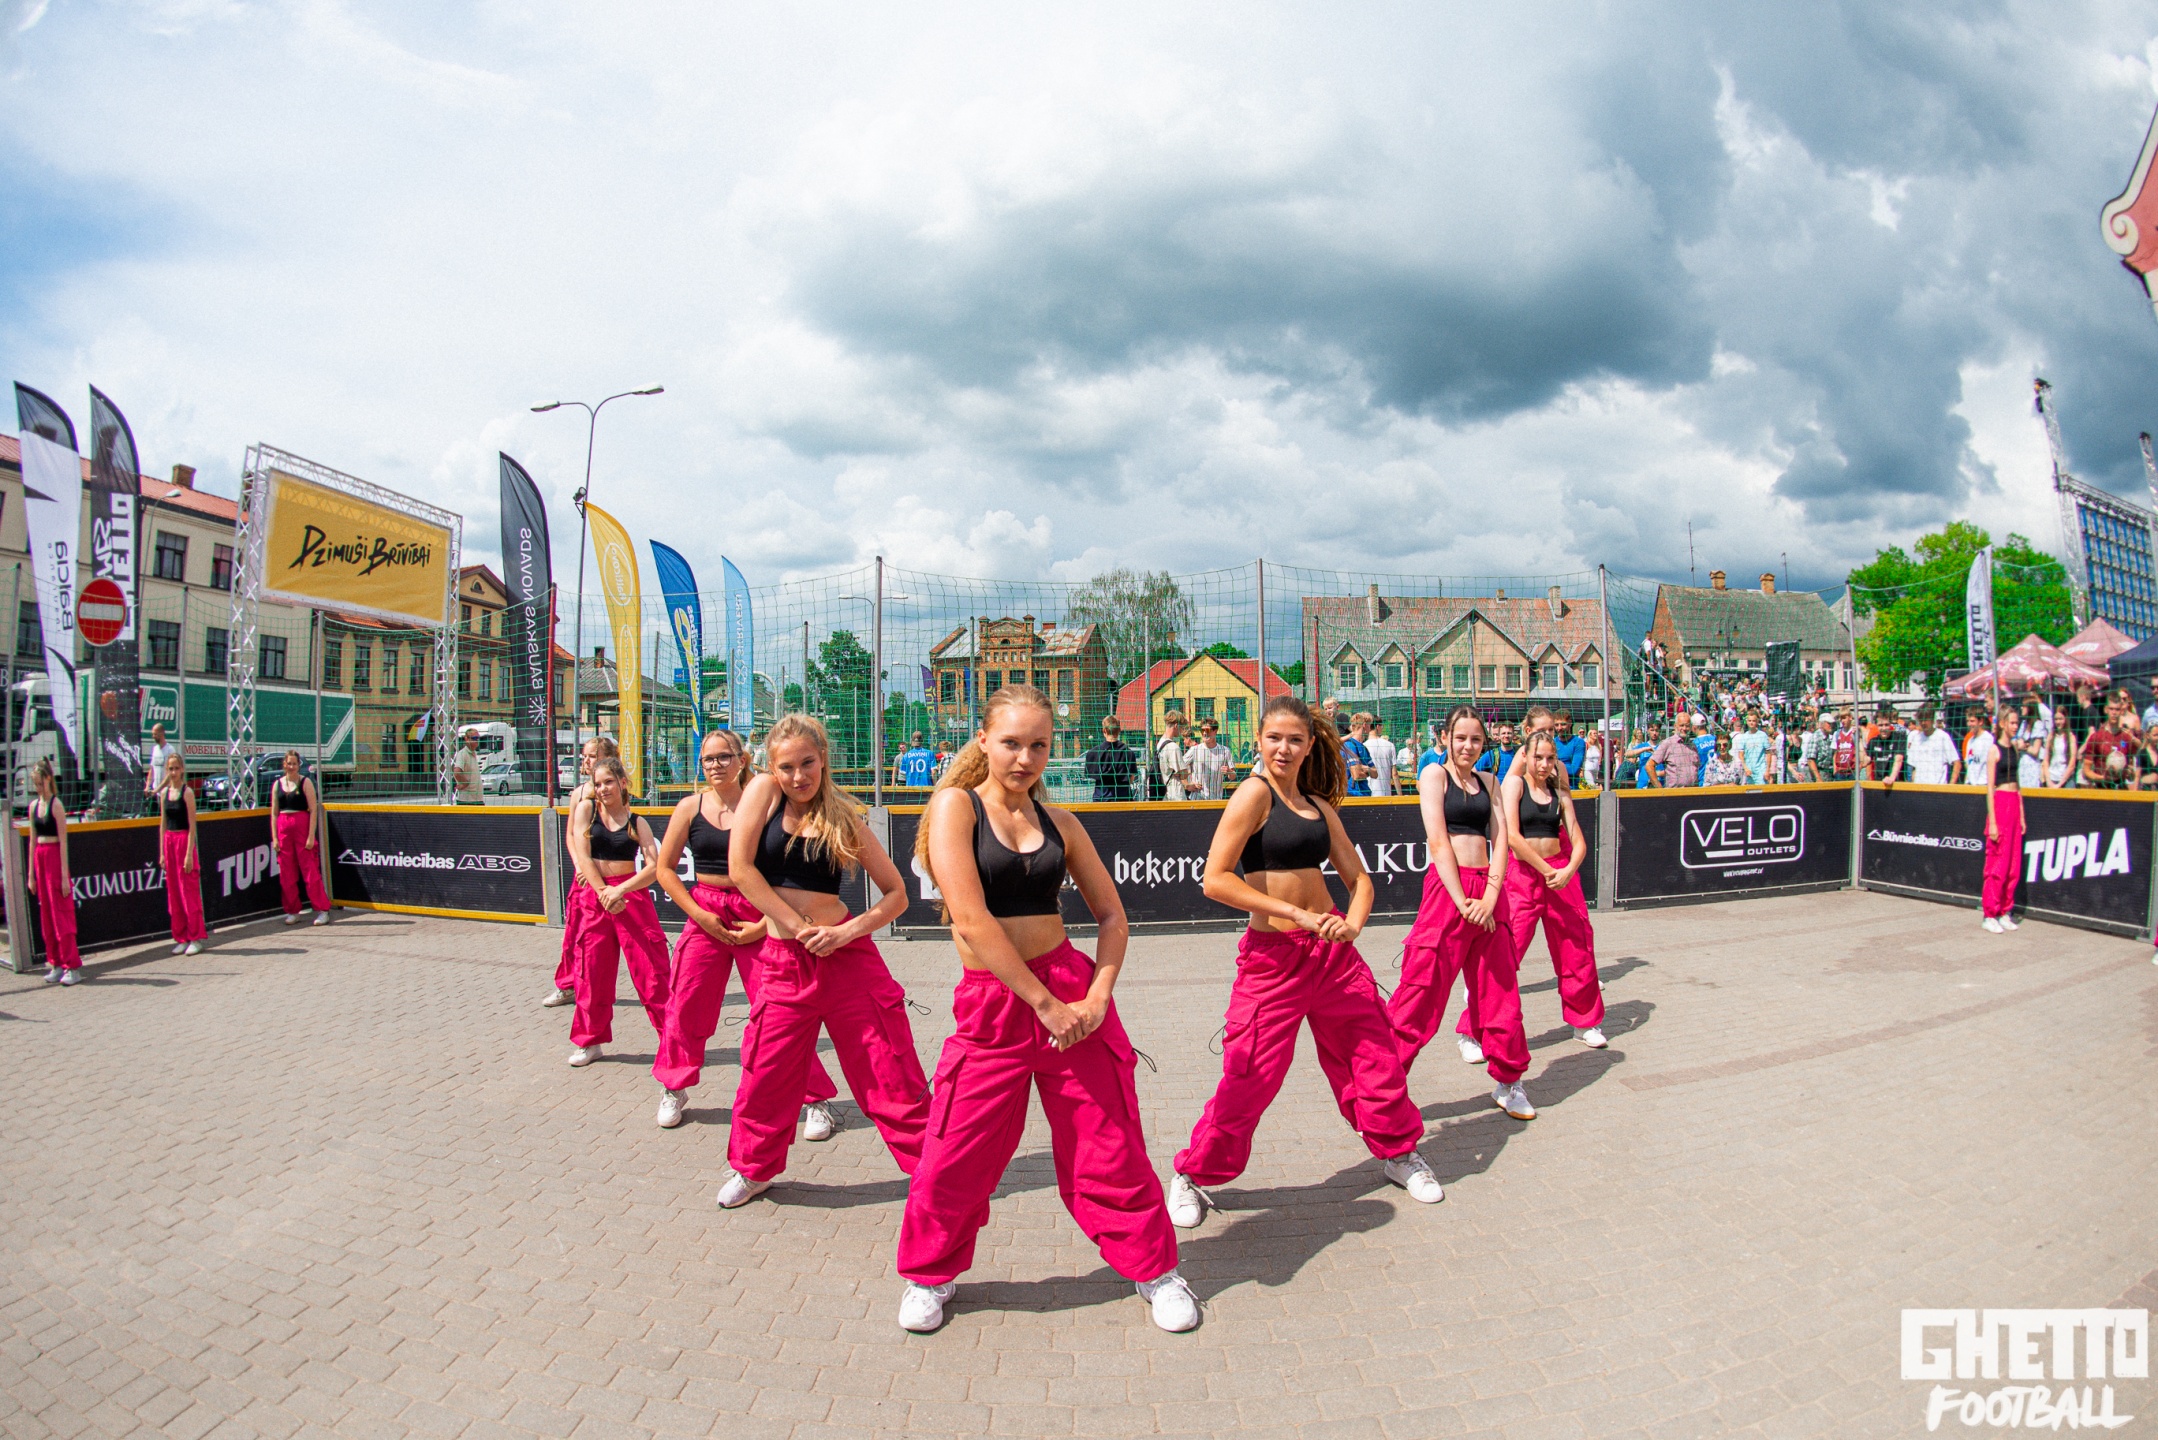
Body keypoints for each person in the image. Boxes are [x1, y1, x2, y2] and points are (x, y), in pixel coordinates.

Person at [895, 685, 1195, 1335]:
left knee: (1110, 1142)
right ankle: (929, 1274)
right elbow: (970, 919)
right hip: (996, 1003)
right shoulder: (955, 807)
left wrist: (1097, 995)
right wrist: (1042, 1004)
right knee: (956, 1148)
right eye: (1010, 743)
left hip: (1071, 993)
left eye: (1038, 745)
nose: (1024, 758)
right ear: (983, 741)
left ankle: (1154, 1269)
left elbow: (1112, 917)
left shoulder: (1062, 823)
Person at [1168, 696, 1445, 1228]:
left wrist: (1353, 925)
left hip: (1334, 958)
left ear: (1310, 744)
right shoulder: (1253, 793)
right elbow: (1215, 879)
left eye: (1295, 740)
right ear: (1259, 740)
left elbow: (1360, 881)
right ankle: (1192, 1174)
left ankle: (1398, 1151)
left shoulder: (1318, 805)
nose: (1284, 748)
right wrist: (1292, 912)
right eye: (1274, 738)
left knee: (1375, 1058)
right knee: (1250, 1075)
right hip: (1273, 961)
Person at [718, 715, 929, 1208]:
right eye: (787, 767)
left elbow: (896, 894)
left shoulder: (844, 817)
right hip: (784, 960)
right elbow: (740, 869)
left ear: (823, 759)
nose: (798, 776)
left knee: (888, 1067)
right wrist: (797, 929)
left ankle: (931, 1168)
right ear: (771, 768)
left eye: (807, 763)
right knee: (766, 1071)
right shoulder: (764, 794)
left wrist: (844, 933)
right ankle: (754, 1169)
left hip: (847, 959)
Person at [651, 730, 841, 1133]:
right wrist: (698, 915)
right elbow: (664, 869)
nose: (716, 765)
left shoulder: (766, 801)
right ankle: (674, 1085)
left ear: (742, 760)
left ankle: (815, 1099)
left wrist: (764, 923)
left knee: (780, 1010)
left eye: (724, 756)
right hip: (705, 913)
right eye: (708, 759)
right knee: (686, 1003)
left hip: (758, 912)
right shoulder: (689, 808)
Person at [1389, 707, 1535, 1118]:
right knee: (1420, 991)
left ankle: (1509, 1081)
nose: (1467, 746)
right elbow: (1438, 841)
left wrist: (1490, 896)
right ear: (1446, 739)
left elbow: (1501, 839)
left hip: (1488, 894)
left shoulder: (1490, 782)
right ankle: (1384, 1088)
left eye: (1475, 739)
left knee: (1500, 992)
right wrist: (1462, 901)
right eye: (1460, 738)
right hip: (1447, 893)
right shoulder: (1433, 775)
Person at [1498, 732, 1607, 1047]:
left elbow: (1578, 840)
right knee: (1505, 950)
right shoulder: (1515, 785)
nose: (1544, 764)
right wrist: (1547, 871)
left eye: (1550, 758)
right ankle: (1478, 1028)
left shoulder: (1560, 791)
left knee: (1577, 947)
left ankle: (1585, 1021)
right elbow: (1512, 837)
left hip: (1560, 874)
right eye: (1538, 757)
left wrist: (1568, 870)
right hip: (1523, 876)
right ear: (1526, 756)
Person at [564, 756, 670, 1071]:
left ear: (622, 783)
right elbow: (583, 857)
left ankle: (672, 1041)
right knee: (591, 972)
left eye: (608, 782)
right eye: (597, 784)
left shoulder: (638, 822)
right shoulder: (587, 811)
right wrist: (603, 892)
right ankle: (589, 1041)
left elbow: (654, 867)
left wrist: (620, 891)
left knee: (652, 973)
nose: (602, 789)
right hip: (595, 898)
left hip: (630, 898)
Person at [542, 736, 619, 1008]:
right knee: (575, 934)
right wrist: (580, 865)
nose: (586, 761)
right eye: (584, 756)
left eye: (592, 756)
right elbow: (571, 837)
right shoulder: (579, 793)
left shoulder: (617, 792)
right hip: (585, 879)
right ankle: (567, 986)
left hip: (612, 879)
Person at [27, 759, 81, 984]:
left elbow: (63, 842)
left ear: (49, 779)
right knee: (47, 916)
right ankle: (56, 963)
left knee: (61, 915)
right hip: (40, 859)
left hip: (54, 858)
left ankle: (72, 967)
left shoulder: (56, 805)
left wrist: (64, 876)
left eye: (41, 783)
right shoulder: (33, 806)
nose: (39, 788)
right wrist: (31, 875)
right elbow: (32, 841)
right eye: (36, 785)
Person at [270, 750, 330, 926]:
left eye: (294, 764)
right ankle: (293, 911)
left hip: (302, 830)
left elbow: (313, 810)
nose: (291, 767)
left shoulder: (306, 782)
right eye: (289, 763)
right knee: (286, 875)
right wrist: (275, 838)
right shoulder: (277, 785)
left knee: (310, 871)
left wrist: (311, 836)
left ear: (298, 765)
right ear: (284, 764)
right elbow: (274, 813)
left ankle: (322, 910)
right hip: (283, 831)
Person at [156, 753, 205, 956]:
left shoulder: (188, 793)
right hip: (169, 842)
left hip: (183, 842)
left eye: (177, 768)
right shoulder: (164, 793)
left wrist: (189, 854)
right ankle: (181, 937)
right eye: (170, 769)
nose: (174, 772)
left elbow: (192, 825)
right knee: (174, 893)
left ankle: (195, 937)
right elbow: (162, 824)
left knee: (188, 892)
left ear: (182, 769)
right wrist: (162, 852)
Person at [1981, 711, 2024, 934]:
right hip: (2000, 804)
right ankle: (1990, 913)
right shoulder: (1994, 750)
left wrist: (2022, 815)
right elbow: (1990, 788)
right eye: (2013, 722)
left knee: (2013, 864)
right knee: (1997, 863)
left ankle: (2005, 911)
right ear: (2004, 723)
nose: (2016, 726)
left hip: (2014, 804)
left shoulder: (2014, 748)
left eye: (2017, 722)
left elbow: (2018, 784)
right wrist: (1993, 822)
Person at [1082, 716, 1140, 802]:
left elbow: (1091, 776)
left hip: (1101, 800)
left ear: (1104, 731)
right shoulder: (1128, 753)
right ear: (1119, 730)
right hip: (1123, 799)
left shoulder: (1093, 753)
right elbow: (1131, 779)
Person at [2080, 706, 2137, 789]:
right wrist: (2103, 778)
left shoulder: (2126, 738)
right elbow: (2086, 771)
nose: (2114, 713)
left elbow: (2131, 776)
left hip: (2120, 789)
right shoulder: (2096, 737)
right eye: (2111, 709)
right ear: (2106, 710)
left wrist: (2130, 774)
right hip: (2101, 789)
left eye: (2117, 709)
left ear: (2121, 711)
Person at [1903, 708, 1960, 786]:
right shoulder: (1916, 739)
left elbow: (1957, 763)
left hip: (1938, 789)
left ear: (1932, 720)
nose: (1923, 723)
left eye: (1926, 719)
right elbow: (1914, 768)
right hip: (1919, 789)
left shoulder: (1943, 737)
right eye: (1921, 720)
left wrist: (1950, 786)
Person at [1185, 718, 1233, 800]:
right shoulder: (1194, 750)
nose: (1204, 733)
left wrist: (1229, 771)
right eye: (1202, 730)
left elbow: (1233, 776)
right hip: (1197, 799)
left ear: (1215, 731)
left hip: (1216, 799)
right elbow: (1178, 767)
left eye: (1207, 730)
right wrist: (1187, 784)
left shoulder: (1225, 751)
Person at [1648, 721, 1698, 788]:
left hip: (1692, 791)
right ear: (1675, 726)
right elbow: (1649, 765)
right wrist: (1659, 789)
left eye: (1687, 726)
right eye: (1681, 725)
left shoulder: (1692, 746)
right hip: (1674, 792)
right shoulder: (1668, 743)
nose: (1684, 728)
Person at [1156, 712, 1192, 801]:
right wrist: (1187, 770)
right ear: (1176, 725)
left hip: (1165, 792)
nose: (1182, 731)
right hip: (1176, 794)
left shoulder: (1160, 743)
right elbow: (1183, 775)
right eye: (1182, 727)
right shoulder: (1173, 747)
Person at [1340, 713, 1376, 797]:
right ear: (1364, 725)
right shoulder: (1349, 745)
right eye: (1369, 725)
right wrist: (1368, 771)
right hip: (1352, 794)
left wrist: (1365, 768)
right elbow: (1356, 774)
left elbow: (1376, 774)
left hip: (1365, 794)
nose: (1370, 729)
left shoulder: (1364, 747)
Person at [1866, 709, 1904, 786]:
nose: (1884, 728)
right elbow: (1865, 761)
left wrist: (1891, 778)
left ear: (1891, 724)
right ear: (1876, 725)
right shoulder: (1873, 741)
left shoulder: (1899, 738)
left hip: (1895, 784)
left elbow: (1898, 759)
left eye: (1886, 725)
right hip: (1879, 783)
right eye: (1880, 725)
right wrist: (1858, 739)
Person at [1364, 715, 1399, 797]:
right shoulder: (1390, 745)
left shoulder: (1363, 746)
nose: (1382, 728)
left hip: (1368, 793)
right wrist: (1400, 795)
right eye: (1381, 725)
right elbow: (1394, 774)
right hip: (1385, 793)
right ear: (1377, 726)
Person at [145, 722, 178, 797]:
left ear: (162, 733)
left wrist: (158, 789)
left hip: (167, 791)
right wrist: (147, 786)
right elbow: (152, 770)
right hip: (156, 792)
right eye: (153, 734)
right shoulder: (155, 749)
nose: (153, 736)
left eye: (155, 734)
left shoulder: (170, 750)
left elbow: (170, 774)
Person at [452, 728, 485, 804]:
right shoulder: (462, 754)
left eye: (478, 738)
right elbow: (457, 772)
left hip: (477, 799)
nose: (477, 740)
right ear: (466, 739)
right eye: (474, 738)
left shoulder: (474, 753)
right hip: (467, 801)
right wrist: (465, 783)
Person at [1735, 712, 1769, 785]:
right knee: (1750, 791)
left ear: (1757, 722)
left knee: (1762, 790)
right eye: (1750, 721)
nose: (1751, 723)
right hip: (1749, 771)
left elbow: (1768, 753)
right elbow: (1741, 755)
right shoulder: (1744, 737)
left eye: (1753, 721)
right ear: (1747, 722)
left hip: (1761, 770)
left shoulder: (1763, 735)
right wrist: (1745, 768)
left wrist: (1767, 770)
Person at [1552, 711, 1585, 782]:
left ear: (1570, 723)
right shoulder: (1551, 743)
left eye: (1563, 724)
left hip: (1571, 786)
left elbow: (1574, 770)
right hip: (1553, 785)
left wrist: (1552, 765)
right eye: (1556, 725)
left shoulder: (1578, 742)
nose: (1559, 728)